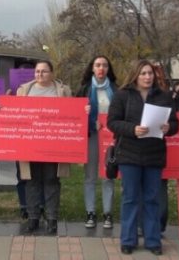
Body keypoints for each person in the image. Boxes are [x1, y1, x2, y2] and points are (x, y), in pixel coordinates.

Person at [107, 60, 179, 256]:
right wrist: (132, 129)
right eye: (143, 73)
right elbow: (112, 122)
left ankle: (153, 240)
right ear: (135, 75)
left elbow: (175, 123)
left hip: (154, 155)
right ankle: (128, 240)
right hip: (129, 154)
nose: (148, 77)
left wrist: (169, 128)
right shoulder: (122, 95)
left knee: (152, 199)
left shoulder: (163, 97)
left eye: (150, 73)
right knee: (130, 198)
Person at [15, 60, 72, 234]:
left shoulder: (63, 90)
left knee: (51, 180)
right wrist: (1, 108)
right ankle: (33, 218)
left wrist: (83, 111)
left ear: (52, 73)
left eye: (44, 71)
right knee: (31, 180)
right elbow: (15, 112)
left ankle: (52, 219)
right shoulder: (24, 90)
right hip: (30, 143)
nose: (40, 75)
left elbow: (71, 113)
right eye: (37, 72)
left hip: (54, 143)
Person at [76, 56, 117, 229]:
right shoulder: (84, 89)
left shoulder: (116, 89)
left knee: (108, 175)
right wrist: (88, 119)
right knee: (90, 176)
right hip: (91, 136)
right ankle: (90, 212)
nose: (101, 68)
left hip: (111, 137)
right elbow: (75, 115)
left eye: (105, 65)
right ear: (92, 68)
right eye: (98, 65)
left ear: (109, 69)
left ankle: (108, 213)